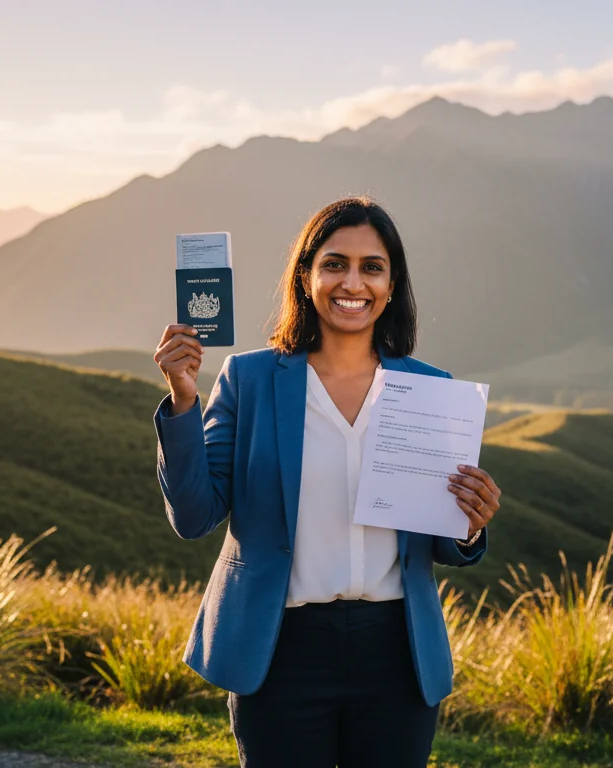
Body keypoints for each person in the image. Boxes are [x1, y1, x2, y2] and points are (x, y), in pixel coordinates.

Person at [151, 196, 502, 767]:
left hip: (397, 653)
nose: (352, 282)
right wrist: (184, 400)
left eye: (372, 267)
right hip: (280, 649)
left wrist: (468, 525)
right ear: (306, 276)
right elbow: (193, 516)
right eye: (335, 263)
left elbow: (443, 545)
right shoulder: (250, 378)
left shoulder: (431, 389)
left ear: (392, 285)